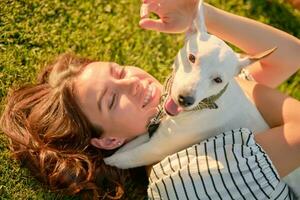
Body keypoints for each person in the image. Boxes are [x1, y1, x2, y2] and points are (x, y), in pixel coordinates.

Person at [1, 1, 299, 199]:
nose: (133, 82)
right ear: (109, 141)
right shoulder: (182, 178)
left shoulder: (203, 107)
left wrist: (199, 16)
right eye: (113, 100)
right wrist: (227, 83)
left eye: (118, 71)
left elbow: (288, 56)